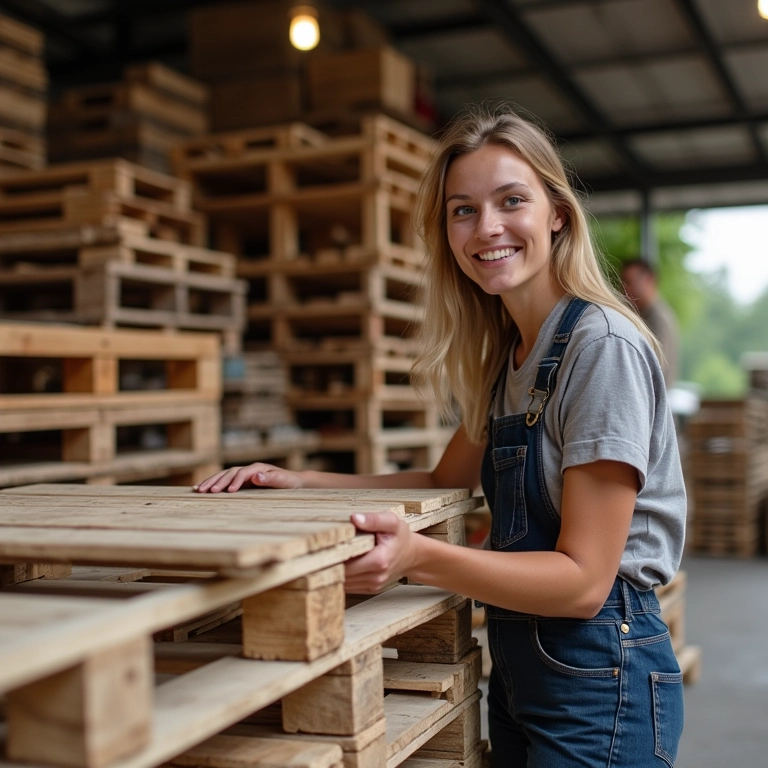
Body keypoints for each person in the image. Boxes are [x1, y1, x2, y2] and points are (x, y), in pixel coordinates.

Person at [195, 103, 687, 767]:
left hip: (604, 672)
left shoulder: (600, 349)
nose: (487, 228)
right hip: (526, 670)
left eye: (511, 201)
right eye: (463, 210)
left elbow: (583, 582)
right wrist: (300, 481)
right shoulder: (511, 357)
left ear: (557, 214)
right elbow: (441, 482)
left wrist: (417, 558)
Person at [620, 258, 680, 387]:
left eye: (630, 282)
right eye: (623, 283)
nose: (625, 289)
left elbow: (653, 369)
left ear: (649, 279)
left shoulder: (658, 319)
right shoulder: (645, 315)